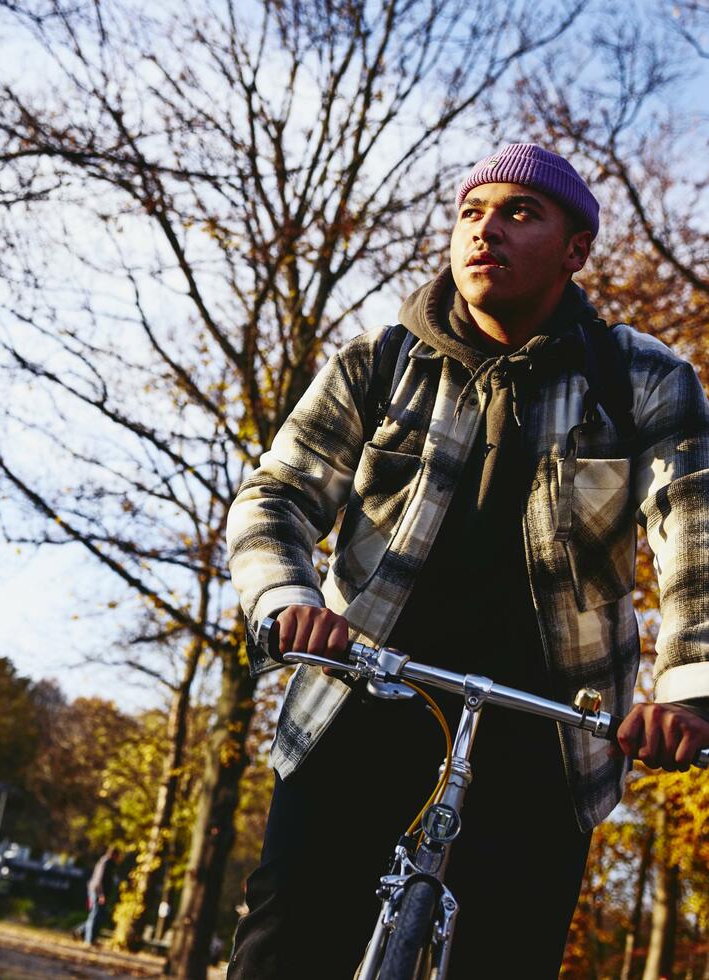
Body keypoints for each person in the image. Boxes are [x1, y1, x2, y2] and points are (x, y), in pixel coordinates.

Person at [225, 143, 709, 978]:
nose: (486, 231)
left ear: (574, 249)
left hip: (548, 723)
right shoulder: (377, 363)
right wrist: (286, 601)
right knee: (285, 938)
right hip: (366, 688)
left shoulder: (643, 380)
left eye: (520, 212)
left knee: (507, 953)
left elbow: (692, 537)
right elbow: (276, 496)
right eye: (471, 212)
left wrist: (688, 691)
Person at [83, 846, 121, 946]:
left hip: (96, 890)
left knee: (98, 914)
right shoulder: (106, 863)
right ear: (114, 855)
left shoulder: (105, 862)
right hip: (98, 891)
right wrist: (101, 894)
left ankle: (82, 933)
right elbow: (100, 880)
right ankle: (89, 940)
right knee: (96, 915)